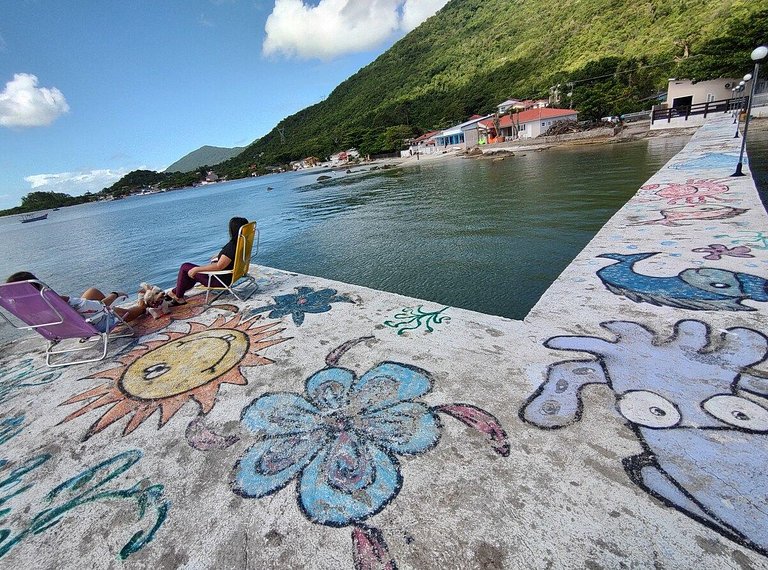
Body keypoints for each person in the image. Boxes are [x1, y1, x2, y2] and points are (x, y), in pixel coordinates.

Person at [5, 271, 147, 332]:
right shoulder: (52, 300)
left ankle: (109, 311)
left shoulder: (19, 307)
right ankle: (143, 304)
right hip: (91, 324)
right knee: (128, 311)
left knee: (92, 291)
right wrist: (115, 295)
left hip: (66, 328)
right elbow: (99, 306)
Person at [166, 216, 249, 305]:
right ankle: (174, 292)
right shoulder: (243, 242)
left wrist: (197, 269)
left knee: (185, 267)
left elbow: (219, 266)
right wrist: (220, 255)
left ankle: (178, 297)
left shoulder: (232, 246)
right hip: (230, 276)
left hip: (220, 280)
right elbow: (229, 257)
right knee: (189, 273)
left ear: (232, 230)